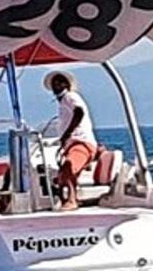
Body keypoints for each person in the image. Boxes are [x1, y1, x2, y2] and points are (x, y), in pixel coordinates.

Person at [44, 70, 97, 210]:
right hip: (73, 144)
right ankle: (68, 200)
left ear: (67, 84)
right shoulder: (63, 102)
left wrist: (67, 134)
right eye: (55, 82)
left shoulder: (70, 96)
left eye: (60, 82)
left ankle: (72, 200)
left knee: (68, 166)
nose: (57, 85)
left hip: (80, 142)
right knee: (63, 173)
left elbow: (79, 112)